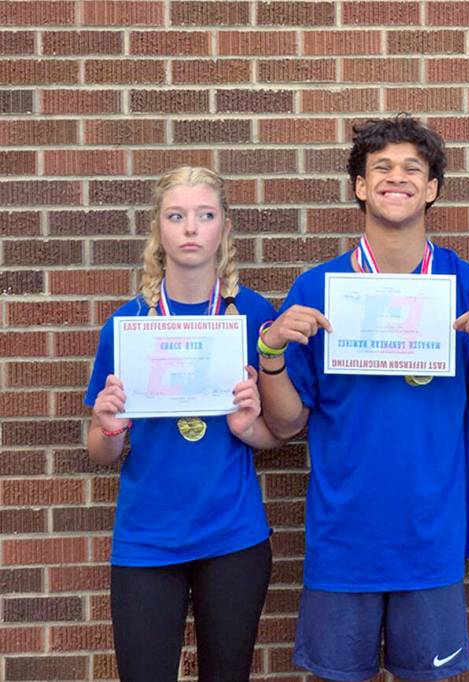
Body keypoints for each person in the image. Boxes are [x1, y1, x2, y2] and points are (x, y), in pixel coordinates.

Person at [256, 114, 469, 682]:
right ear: (359, 185)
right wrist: (270, 352)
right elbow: (286, 422)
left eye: (411, 169)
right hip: (344, 533)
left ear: (432, 189)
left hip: (430, 531)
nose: (395, 179)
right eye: (380, 168)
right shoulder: (317, 288)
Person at [85, 166, 280, 682]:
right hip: (147, 539)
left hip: (232, 537)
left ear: (224, 229)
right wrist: (109, 427)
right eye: (177, 216)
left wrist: (249, 427)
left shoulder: (255, 316)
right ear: (159, 230)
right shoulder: (128, 325)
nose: (191, 228)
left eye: (205, 215)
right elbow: (100, 450)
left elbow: (278, 434)